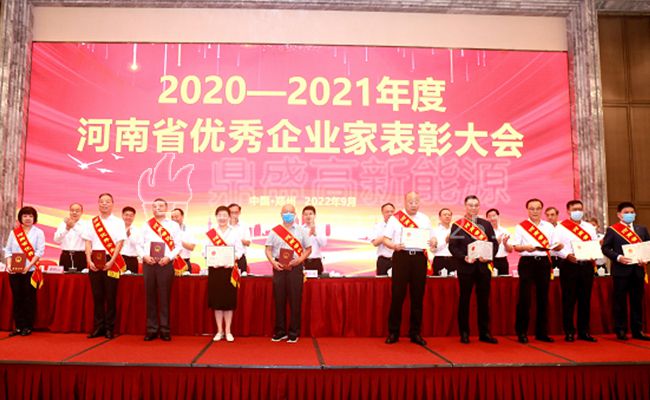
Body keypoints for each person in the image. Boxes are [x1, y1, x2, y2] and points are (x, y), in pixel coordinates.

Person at [383, 192, 436, 346]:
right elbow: (385, 239)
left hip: (419, 258)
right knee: (397, 296)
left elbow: (432, 238)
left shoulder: (424, 219)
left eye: (416, 202)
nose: (413, 205)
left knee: (418, 296)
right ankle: (393, 332)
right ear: (405, 202)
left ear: (419, 203)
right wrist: (394, 246)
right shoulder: (395, 218)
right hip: (402, 257)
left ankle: (415, 333)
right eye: (410, 202)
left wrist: (433, 241)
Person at [449, 195, 499, 344]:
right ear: (465, 206)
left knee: (483, 301)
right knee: (464, 300)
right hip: (466, 267)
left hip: (483, 267)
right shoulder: (458, 225)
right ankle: (464, 333)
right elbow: (453, 247)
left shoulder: (486, 224)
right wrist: (464, 257)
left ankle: (485, 333)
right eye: (470, 205)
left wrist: (488, 257)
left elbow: (494, 244)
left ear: (479, 206)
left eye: (476, 205)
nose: (473, 208)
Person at [512, 198, 561, 343]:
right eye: (532, 208)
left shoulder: (549, 227)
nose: (535, 211)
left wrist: (559, 246)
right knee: (525, 298)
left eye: (538, 208)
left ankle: (542, 333)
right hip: (527, 262)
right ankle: (522, 332)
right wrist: (525, 247)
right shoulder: (521, 227)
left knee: (543, 298)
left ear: (541, 210)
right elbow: (516, 246)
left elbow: (555, 244)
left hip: (544, 263)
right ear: (527, 210)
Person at [601, 201, 650, 341]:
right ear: (619, 215)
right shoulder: (613, 230)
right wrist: (618, 257)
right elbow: (605, 248)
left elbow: (648, 247)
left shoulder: (642, 230)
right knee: (620, 302)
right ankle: (620, 330)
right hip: (621, 271)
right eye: (626, 212)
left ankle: (637, 330)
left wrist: (646, 259)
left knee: (637, 302)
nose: (629, 215)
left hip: (638, 270)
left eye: (632, 212)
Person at [551, 199, 599, 342]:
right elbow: (554, 246)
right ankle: (569, 331)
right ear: (568, 211)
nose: (578, 212)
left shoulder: (589, 227)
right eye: (574, 209)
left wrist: (594, 253)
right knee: (569, 299)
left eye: (580, 209)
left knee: (585, 300)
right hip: (569, 265)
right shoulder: (560, 227)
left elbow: (594, 243)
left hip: (586, 265)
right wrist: (566, 255)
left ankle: (584, 331)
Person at [265, 204, 311, 343]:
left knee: (295, 300)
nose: (288, 214)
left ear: (295, 214)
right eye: (285, 212)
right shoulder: (275, 231)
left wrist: (299, 260)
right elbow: (268, 249)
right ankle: (280, 331)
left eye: (291, 212)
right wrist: (273, 262)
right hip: (279, 267)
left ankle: (293, 332)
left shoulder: (301, 231)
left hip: (295, 267)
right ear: (281, 214)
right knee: (279, 300)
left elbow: (308, 249)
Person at [83, 193, 127, 340]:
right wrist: (89, 260)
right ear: (98, 204)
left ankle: (109, 328)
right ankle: (98, 327)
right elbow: (88, 242)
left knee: (110, 296)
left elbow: (120, 243)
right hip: (94, 260)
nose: (104, 204)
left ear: (112, 204)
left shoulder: (118, 222)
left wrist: (112, 261)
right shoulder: (91, 222)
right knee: (97, 296)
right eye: (102, 201)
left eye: (107, 201)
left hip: (111, 260)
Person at [139, 198, 182, 342]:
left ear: (166, 208)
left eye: (161, 206)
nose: (158, 208)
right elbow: (139, 245)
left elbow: (178, 246)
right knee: (150, 297)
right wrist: (144, 256)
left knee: (164, 297)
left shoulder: (173, 225)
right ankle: (151, 329)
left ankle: (165, 329)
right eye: (155, 206)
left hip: (165, 264)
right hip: (149, 264)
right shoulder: (146, 225)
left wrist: (169, 257)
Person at [204, 206, 244, 342]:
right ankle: (219, 331)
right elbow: (204, 251)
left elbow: (240, 251)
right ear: (216, 217)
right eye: (219, 215)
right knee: (217, 302)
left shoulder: (234, 233)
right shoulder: (211, 233)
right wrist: (211, 259)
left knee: (228, 302)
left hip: (229, 271)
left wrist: (233, 258)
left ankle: (228, 331)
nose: (222, 218)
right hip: (215, 270)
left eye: (224, 215)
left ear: (229, 217)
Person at [4, 206, 45, 337]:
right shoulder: (14, 233)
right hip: (15, 271)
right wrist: (9, 264)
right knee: (17, 298)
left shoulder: (38, 233)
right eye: (25, 216)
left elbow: (39, 251)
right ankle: (18, 326)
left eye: (30, 216)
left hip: (30, 271)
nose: (28, 218)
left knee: (29, 298)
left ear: (34, 218)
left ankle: (27, 326)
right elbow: (8, 250)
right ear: (20, 218)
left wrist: (29, 266)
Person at [53, 203, 87, 271]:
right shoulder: (63, 224)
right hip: (65, 256)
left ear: (81, 212)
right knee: (64, 276)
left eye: (77, 211)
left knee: (80, 276)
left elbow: (86, 237)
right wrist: (66, 229)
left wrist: (73, 226)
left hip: (80, 256)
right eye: (72, 210)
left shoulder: (86, 224)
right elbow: (56, 240)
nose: (74, 212)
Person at [485, 208, 513, 275]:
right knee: (490, 280)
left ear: (498, 216)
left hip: (503, 261)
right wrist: (496, 243)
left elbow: (510, 250)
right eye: (489, 216)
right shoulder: (485, 232)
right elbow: (483, 250)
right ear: (487, 219)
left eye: (494, 216)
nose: (492, 218)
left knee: (504, 280)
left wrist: (505, 243)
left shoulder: (505, 231)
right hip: (490, 261)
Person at [370, 202, 395, 276]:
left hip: (397, 259)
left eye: (392, 211)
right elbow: (375, 243)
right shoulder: (378, 226)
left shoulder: (399, 226)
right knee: (381, 281)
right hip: (383, 260)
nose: (390, 214)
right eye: (387, 212)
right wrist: (386, 235)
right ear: (382, 213)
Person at [302, 205, 327, 275]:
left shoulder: (320, 228)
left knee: (317, 281)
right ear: (303, 216)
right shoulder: (300, 229)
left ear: (315, 215)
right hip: (303, 261)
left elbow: (323, 244)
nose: (308, 216)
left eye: (310, 214)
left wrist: (315, 233)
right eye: (306, 214)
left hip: (316, 261)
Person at [171, 208, 196, 273]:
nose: (174, 219)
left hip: (184, 262)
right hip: (169, 263)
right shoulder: (167, 230)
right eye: (172, 217)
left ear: (182, 217)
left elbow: (192, 247)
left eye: (176, 217)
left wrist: (178, 242)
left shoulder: (188, 230)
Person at [229, 203, 252, 275]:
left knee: (241, 279)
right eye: (231, 212)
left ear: (239, 213)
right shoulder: (224, 225)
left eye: (236, 212)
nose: (234, 214)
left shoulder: (244, 225)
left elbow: (248, 243)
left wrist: (237, 240)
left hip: (240, 257)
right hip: (226, 257)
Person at [433, 208, 457, 276]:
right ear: (439, 217)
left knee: (454, 281)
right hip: (440, 259)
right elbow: (433, 250)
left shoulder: (455, 231)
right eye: (445, 214)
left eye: (449, 215)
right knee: (439, 281)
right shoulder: (434, 230)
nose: (447, 216)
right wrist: (445, 242)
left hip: (453, 260)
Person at [120, 206, 141, 274]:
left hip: (132, 260)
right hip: (119, 259)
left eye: (131, 215)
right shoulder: (116, 228)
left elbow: (138, 245)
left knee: (131, 279)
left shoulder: (137, 230)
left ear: (134, 217)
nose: (128, 217)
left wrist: (129, 236)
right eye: (126, 215)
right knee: (117, 280)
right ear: (122, 215)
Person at [545, 206, 562, 271]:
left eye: (552, 215)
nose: (550, 217)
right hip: (548, 258)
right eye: (547, 215)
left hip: (562, 258)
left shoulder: (563, 227)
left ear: (557, 215)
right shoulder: (542, 228)